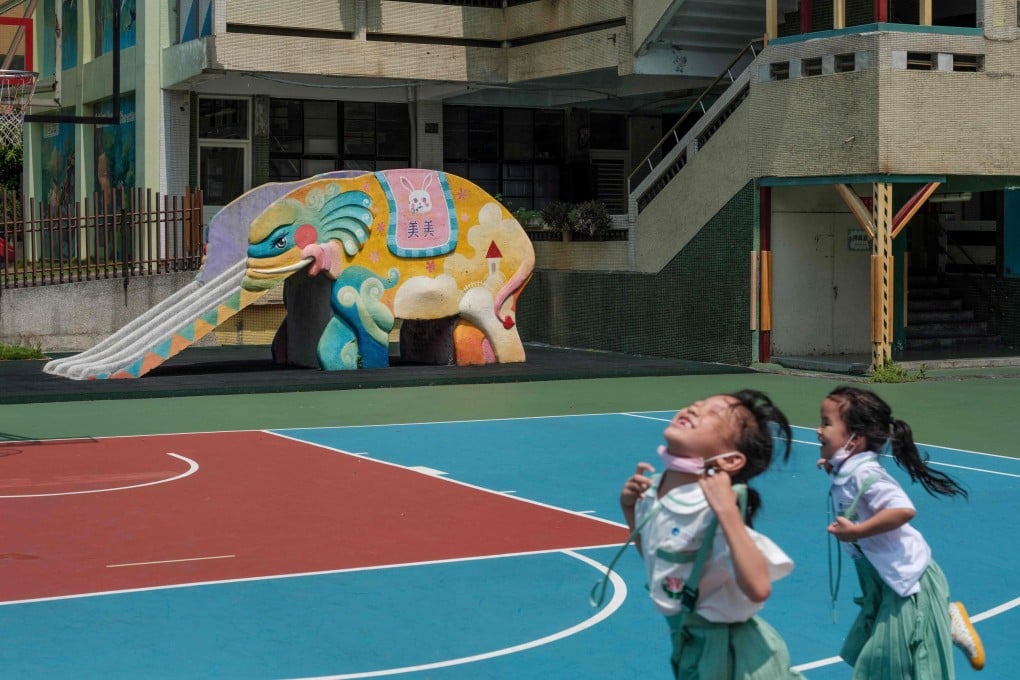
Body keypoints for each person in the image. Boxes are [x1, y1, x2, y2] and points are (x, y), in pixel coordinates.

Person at [618, 390, 804, 679]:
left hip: (736, 659)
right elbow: (661, 561)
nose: (695, 407)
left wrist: (728, 514)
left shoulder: (714, 507)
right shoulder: (655, 489)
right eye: (698, 403)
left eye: (713, 413)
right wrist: (630, 509)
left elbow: (758, 587)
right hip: (689, 645)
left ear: (730, 461)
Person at [817, 385, 986, 678]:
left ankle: (945, 619)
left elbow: (903, 509)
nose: (818, 430)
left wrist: (858, 530)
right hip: (883, 581)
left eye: (827, 423)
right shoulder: (848, 468)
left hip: (908, 581)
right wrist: (833, 466)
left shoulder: (866, 473)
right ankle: (946, 619)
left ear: (855, 440)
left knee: (892, 665)